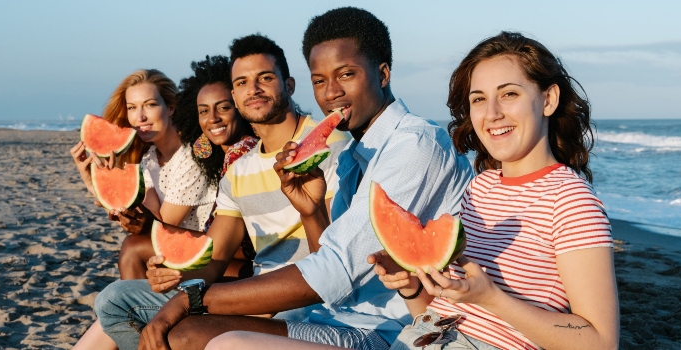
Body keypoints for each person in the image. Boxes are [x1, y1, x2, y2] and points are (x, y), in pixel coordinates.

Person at [143, 7, 473, 350]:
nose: (331, 92)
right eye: (319, 80)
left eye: (346, 75)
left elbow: (336, 270)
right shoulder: (350, 157)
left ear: (383, 74)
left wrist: (191, 299)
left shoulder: (415, 145)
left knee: (188, 333)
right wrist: (311, 211)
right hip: (341, 317)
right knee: (183, 331)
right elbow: (332, 262)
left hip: (391, 329)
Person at [94, 34, 350, 350]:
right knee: (113, 299)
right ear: (234, 93)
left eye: (265, 78)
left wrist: (190, 299)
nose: (253, 89)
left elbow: (333, 265)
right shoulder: (240, 170)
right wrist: (175, 273)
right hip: (256, 294)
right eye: (242, 82)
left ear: (290, 84)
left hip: (309, 303)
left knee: (181, 332)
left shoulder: (333, 148)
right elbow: (214, 260)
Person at [369, 32, 619, 350]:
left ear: (548, 99)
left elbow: (600, 341)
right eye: (478, 99)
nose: (491, 113)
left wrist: (492, 299)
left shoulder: (571, 201)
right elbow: (441, 314)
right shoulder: (481, 187)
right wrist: (411, 285)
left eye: (509, 94)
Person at [74, 59, 259, 350]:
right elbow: (132, 214)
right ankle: (140, 325)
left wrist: (126, 196)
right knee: (132, 249)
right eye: (132, 108)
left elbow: (164, 226)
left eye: (149, 105)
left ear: (170, 107)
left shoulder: (192, 154)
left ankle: (144, 326)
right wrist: (97, 181)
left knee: (133, 248)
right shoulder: (149, 158)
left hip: (222, 256)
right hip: (195, 252)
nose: (140, 117)